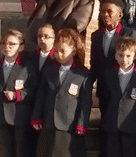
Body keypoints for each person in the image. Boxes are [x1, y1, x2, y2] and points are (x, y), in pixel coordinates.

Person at [31, 28, 92, 157]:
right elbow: (41, 95)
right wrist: (36, 116)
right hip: (49, 122)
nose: (59, 55)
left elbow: (85, 102)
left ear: (74, 50)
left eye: (63, 51)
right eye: (57, 51)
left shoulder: (82, 74)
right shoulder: (49, 70)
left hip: (68, 125)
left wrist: (82, 123)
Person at [90, 0, 136, 156]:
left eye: (109, 11)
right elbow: (94, 64)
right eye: (103, 11)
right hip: (105, 91)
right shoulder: (96, 35)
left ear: (120, 15)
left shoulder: (129, 33)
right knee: (106, 130)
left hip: (124, 91)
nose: (105, 14)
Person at [0, 30, 38, 157]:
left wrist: (17, 95)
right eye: (3, 43)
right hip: (0, 119)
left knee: (21, 152)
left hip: (20, 118)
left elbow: (33, 90)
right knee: (4, 152)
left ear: (21, 47)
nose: (6, 47)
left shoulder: (27, 67)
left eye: (11, 44)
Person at [99, 36, 136, 157]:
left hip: (132, 127)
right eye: (121, 55)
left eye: (128, 56)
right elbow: (104, 99)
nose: (124, 59)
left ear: (135, 56)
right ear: (115, 55)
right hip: (112, 127)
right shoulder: (108, 74)